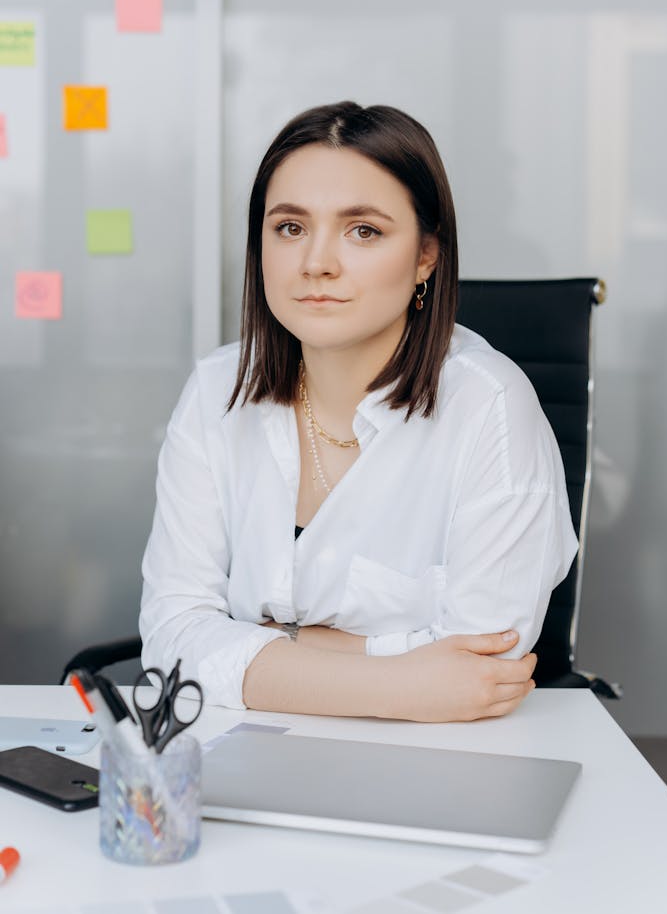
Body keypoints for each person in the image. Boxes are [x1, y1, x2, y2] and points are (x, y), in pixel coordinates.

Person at [139, 101, 578, 723]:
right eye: (289, 227)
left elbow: (485, 664)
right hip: (238, 748)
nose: (316, 261)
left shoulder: (491, 409)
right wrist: (404, 682)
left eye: (363, 230)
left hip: (433, 764)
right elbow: (170, 636)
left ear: (427, 255)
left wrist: (251, 643)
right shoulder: (218, 389)